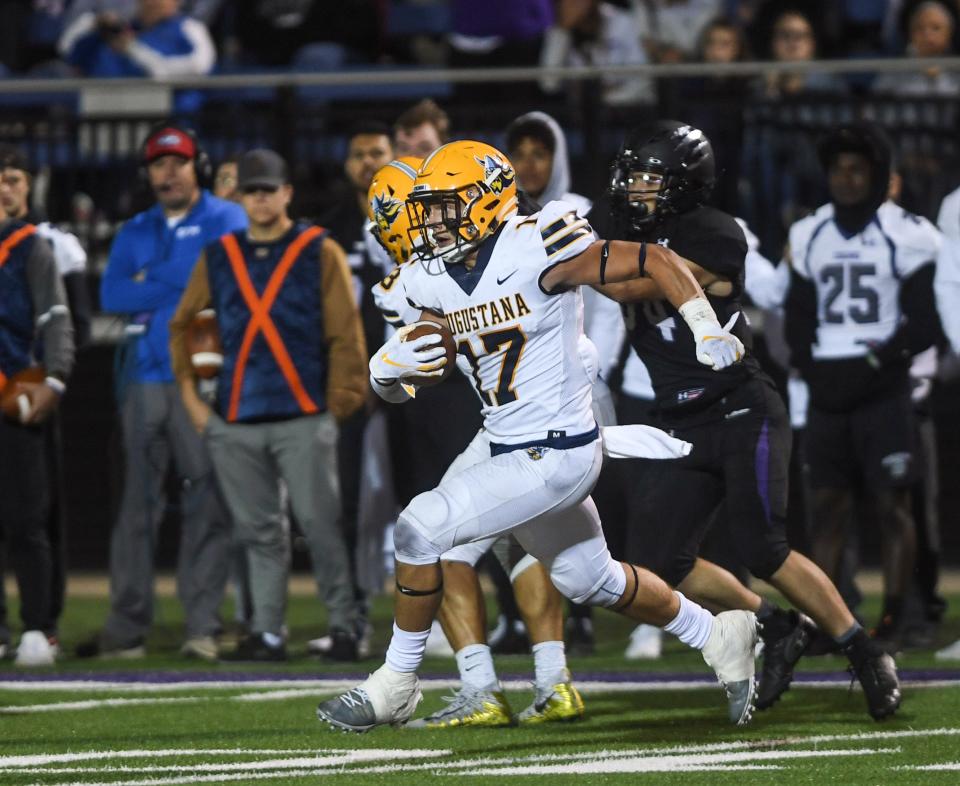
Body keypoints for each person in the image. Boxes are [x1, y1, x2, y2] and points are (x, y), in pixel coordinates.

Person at [317, 139, 762, 734]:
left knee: (421, 527)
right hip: (506, 438)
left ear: (485, 200)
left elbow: (654, 261)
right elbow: (416, 374)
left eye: (446, 207)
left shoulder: (537, 243)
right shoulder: (423, 279)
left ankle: (396, 682)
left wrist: (704, 327)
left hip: (559, 450)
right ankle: (717, 633)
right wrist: (386, 375)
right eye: (428, 208)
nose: (432, 221)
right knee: (589, 577)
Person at [595, 120, 901, 720]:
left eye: (648, 179)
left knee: (764, 546)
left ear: (684, 183)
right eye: (631, 178)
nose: (635, 191)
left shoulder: (712, 232)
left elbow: (631, 285)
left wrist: (556, 257)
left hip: (741, 409)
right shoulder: (632, 237)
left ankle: (863, 650)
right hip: (681, 422)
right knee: (659, 565)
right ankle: (777, 626)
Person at [368, 157, 587, 727]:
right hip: (535, 410)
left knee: (440, 543)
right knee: (533, 546)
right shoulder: (442, 268)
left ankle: (482, 685)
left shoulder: (411, 282)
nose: (418, 225)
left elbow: (422, 373)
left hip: (502, 420)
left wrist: (389, 372)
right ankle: (551, 678)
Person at [170, 149, 368, 661]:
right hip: (236, 417)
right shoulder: (219, 253)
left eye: (268, 189)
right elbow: (182, 325)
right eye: (251, 190)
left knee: (320, 526)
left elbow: (346, 331)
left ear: (287, 192)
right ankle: (268, 631)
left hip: (303, 415)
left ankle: (345, 626)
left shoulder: (316, 249)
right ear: (241, 195)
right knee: (257, 532)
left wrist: (340, 403)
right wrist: (194, 403)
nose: (259, 198)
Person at [79, 123, 246, 660]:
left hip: (202, 382)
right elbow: (109, 291)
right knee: (135, 507)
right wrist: (185, 279)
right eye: (158, 163)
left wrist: (149, 281)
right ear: (147, 171)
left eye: (177, 161)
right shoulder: (136, 227)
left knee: (208, 502)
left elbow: (224, 282)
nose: (167, 172)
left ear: (197, 164)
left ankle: (201, 626)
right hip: (144, 380)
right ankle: (127, 627)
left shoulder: (228, 217)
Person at [784, 122, 942, 649]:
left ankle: (896, 618)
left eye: (857, 169)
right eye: (837, 169)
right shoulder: (809, 232)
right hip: (828, 389)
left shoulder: (911, 232)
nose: (846, 179)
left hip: (884, 389)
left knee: (892, 506)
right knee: (827, 509)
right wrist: (814, 366)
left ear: (877, 174)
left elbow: (925, 318)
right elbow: (798, 316)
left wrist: (877, 364)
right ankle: (825, 623)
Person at [0, 145, 92, 656]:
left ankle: (40, 624)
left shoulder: (34, 245)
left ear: (28, 186)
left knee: (28, 518)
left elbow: (58, 317)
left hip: (16, 398)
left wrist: (54, 380)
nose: (4, 188)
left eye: (12, 178)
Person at [57, 0, 216, 79]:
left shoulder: (190, 27)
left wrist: (133, 50)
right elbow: (66, 48)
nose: (152, 2)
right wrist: (93, 23)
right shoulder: (119, 29)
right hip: (105, 113)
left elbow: (199, 66)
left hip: (170, 118)